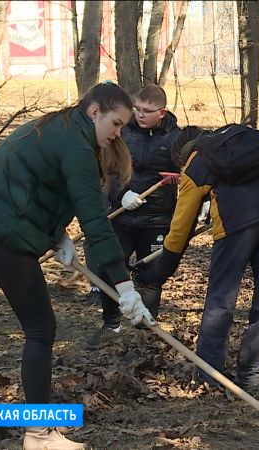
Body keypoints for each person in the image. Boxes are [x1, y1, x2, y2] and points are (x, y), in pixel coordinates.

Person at [0, 82, 154, 450]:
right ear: (95, 113)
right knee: (40, 331)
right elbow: (96, 222)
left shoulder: (54, 125)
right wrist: (125, 287)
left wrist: (55, 235)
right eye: (116, 123)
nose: (119, 132)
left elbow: (34, 185)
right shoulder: (77, 146)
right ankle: (39, 435)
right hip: (0, 235)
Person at [138, 125, 259, 390]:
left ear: (180, 156)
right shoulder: (242, 139)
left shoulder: (196, 164)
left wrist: (160, 271)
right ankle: (251, 372)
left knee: (221, 299)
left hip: (234, 229)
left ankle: (209, 375)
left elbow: (180, 229)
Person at [85, 85, 182, 346]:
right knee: (109, 267)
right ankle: (111, 324)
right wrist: (121, 195)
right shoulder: (122, 133)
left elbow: (188, 176)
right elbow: (109, 170)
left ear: (162, 112)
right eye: (137, 109)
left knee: (152, 276)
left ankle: (144, 333)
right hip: (123, 216)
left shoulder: (176, 139)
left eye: (147, 111)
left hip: (158, 220)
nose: (140, 115)